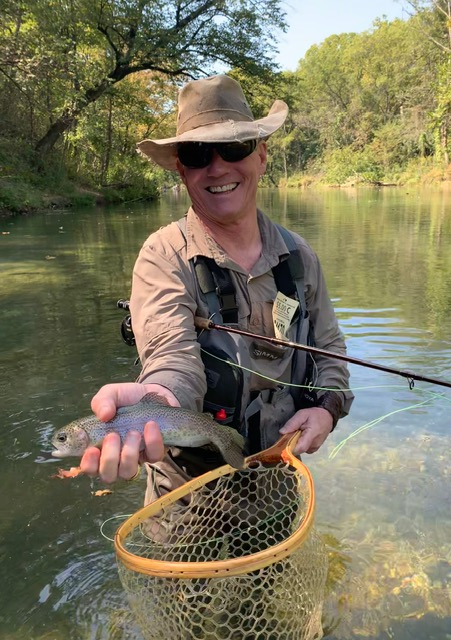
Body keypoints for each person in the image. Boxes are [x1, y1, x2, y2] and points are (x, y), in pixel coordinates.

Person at [80, 74, 353, 489]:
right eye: (197, 153)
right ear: (181, 170)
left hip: (279, 477)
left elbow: (329, 349)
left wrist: (327, 408)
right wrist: (161, 400)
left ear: (261, 156)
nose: (218, 166)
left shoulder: (300, 257)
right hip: (186, 494)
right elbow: (171, 356)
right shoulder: (162, 256)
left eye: (234, 146)